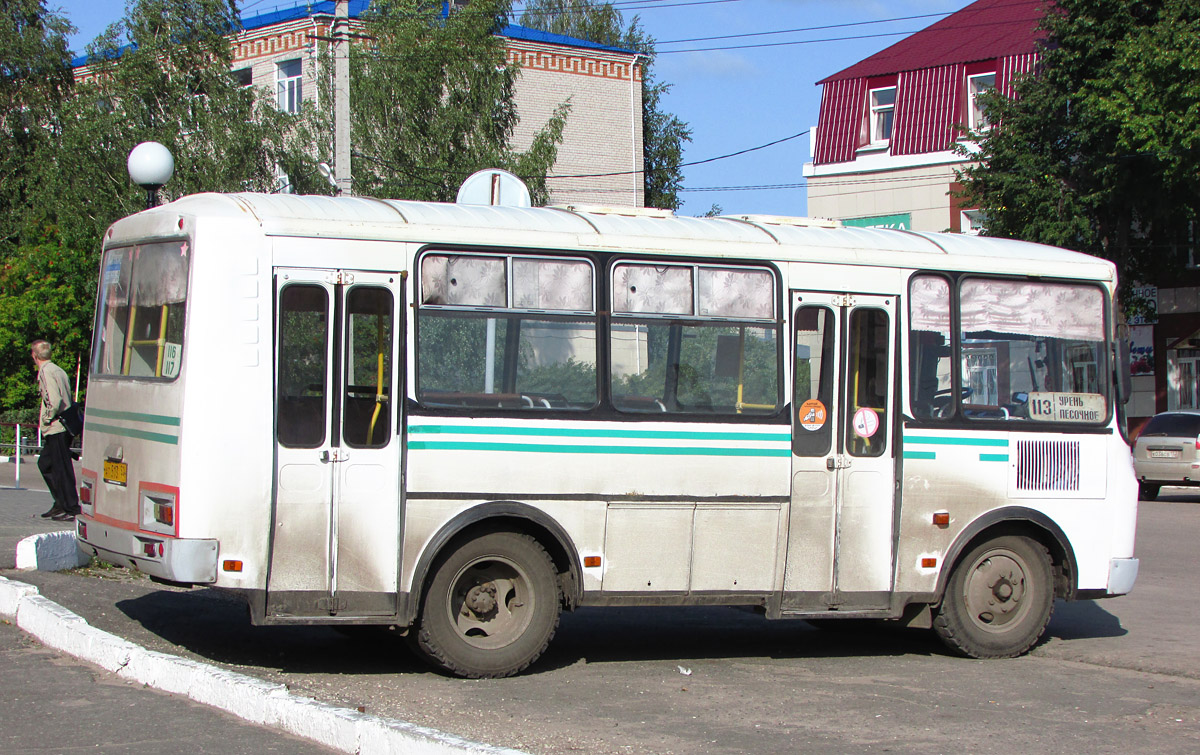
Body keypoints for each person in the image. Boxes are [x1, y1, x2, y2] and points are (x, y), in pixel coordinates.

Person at [31, 340, 80, 521]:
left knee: (61, 469)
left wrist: (46, 419)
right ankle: (60, 503)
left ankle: (71, 507)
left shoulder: (45, 372)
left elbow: (55, 399)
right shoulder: (58, 370)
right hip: (64, 425)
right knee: (46, 464)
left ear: (34, 355)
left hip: (57, 426)